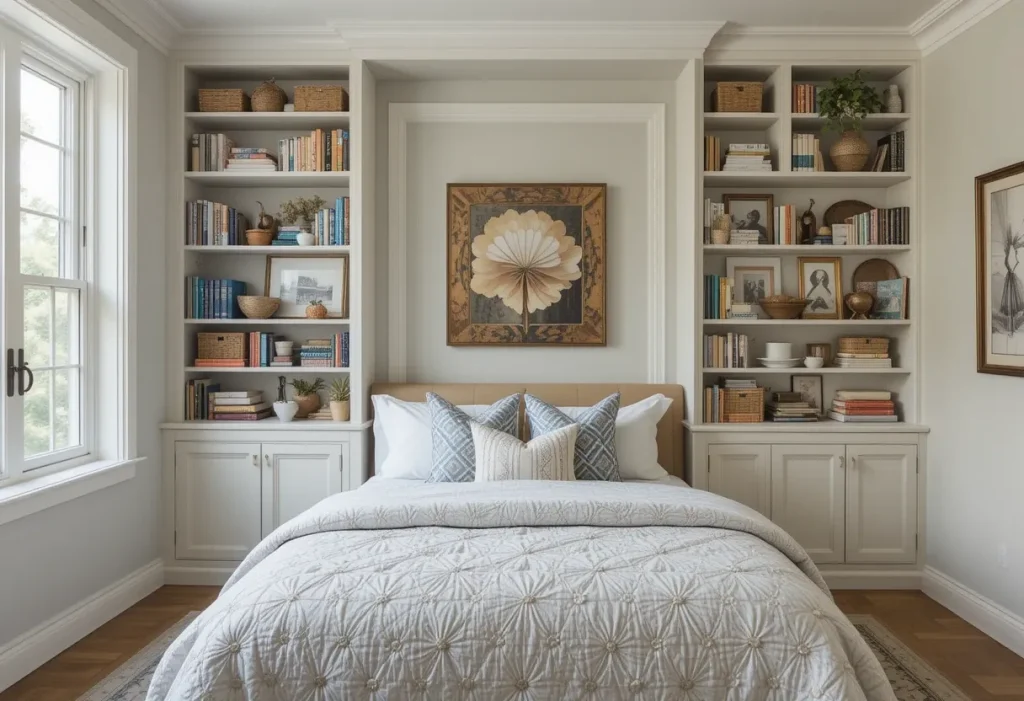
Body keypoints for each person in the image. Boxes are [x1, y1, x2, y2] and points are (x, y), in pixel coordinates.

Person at [1000, 227, 1024, 336]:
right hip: (1010, 279)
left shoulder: (1013, 251)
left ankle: (1012, 329)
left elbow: (1016, 262)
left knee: (1013, 302)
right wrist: (1011, 270)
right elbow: (1010, 262)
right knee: (1010, 302)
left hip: (1012, 279)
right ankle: (1011, 329)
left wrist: (1011, 270)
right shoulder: (1010, 252)